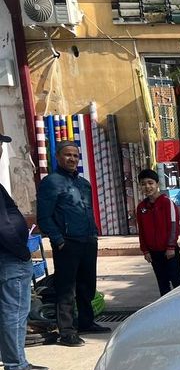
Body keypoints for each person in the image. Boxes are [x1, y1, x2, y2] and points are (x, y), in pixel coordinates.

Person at [36, 141, 109, 347]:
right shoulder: (51, 182)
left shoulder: (83, 184)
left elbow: (88, 211)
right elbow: (44, 217)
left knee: (87, 285)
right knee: (66, 288)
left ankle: (86, 322)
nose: (72, 159)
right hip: (67, 243)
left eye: (76, 156)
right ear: (58, 157)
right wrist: (58, 240)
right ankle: (67, 331)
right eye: (68, 155)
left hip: (87, 240)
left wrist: (93, 233)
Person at [0, 173, 49, 370]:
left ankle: (12, 359)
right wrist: (22, 252)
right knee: (14, 311)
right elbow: (3, 226)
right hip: (11, 259)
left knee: (8, 311)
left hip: (7, 257)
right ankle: (16, 364)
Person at [136, 169, 180, 295]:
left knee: (177, 281)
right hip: (153, 253)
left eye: (150, 183)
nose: (147, 186)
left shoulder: (167, 203)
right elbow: (141, 230)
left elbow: (174, 227)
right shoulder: (141, 207)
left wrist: (170, 247)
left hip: (169, 251)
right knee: (162, 283)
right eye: (143, 184)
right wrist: (145, 250)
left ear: (157, 184)